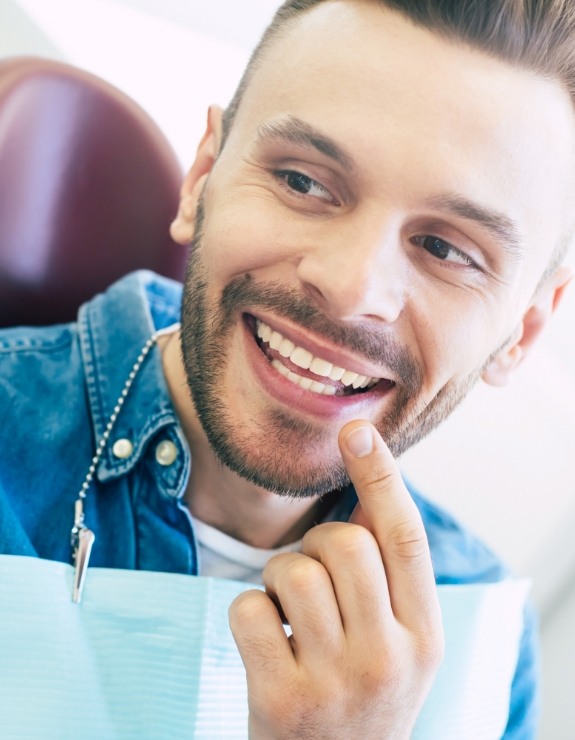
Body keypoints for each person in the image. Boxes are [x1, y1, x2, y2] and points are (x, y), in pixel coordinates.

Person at [1, 0, 573, 736]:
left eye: (445, 250)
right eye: (304, 182)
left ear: (520, 332)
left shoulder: (481, 638)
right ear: (202, 177)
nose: (350, 287)